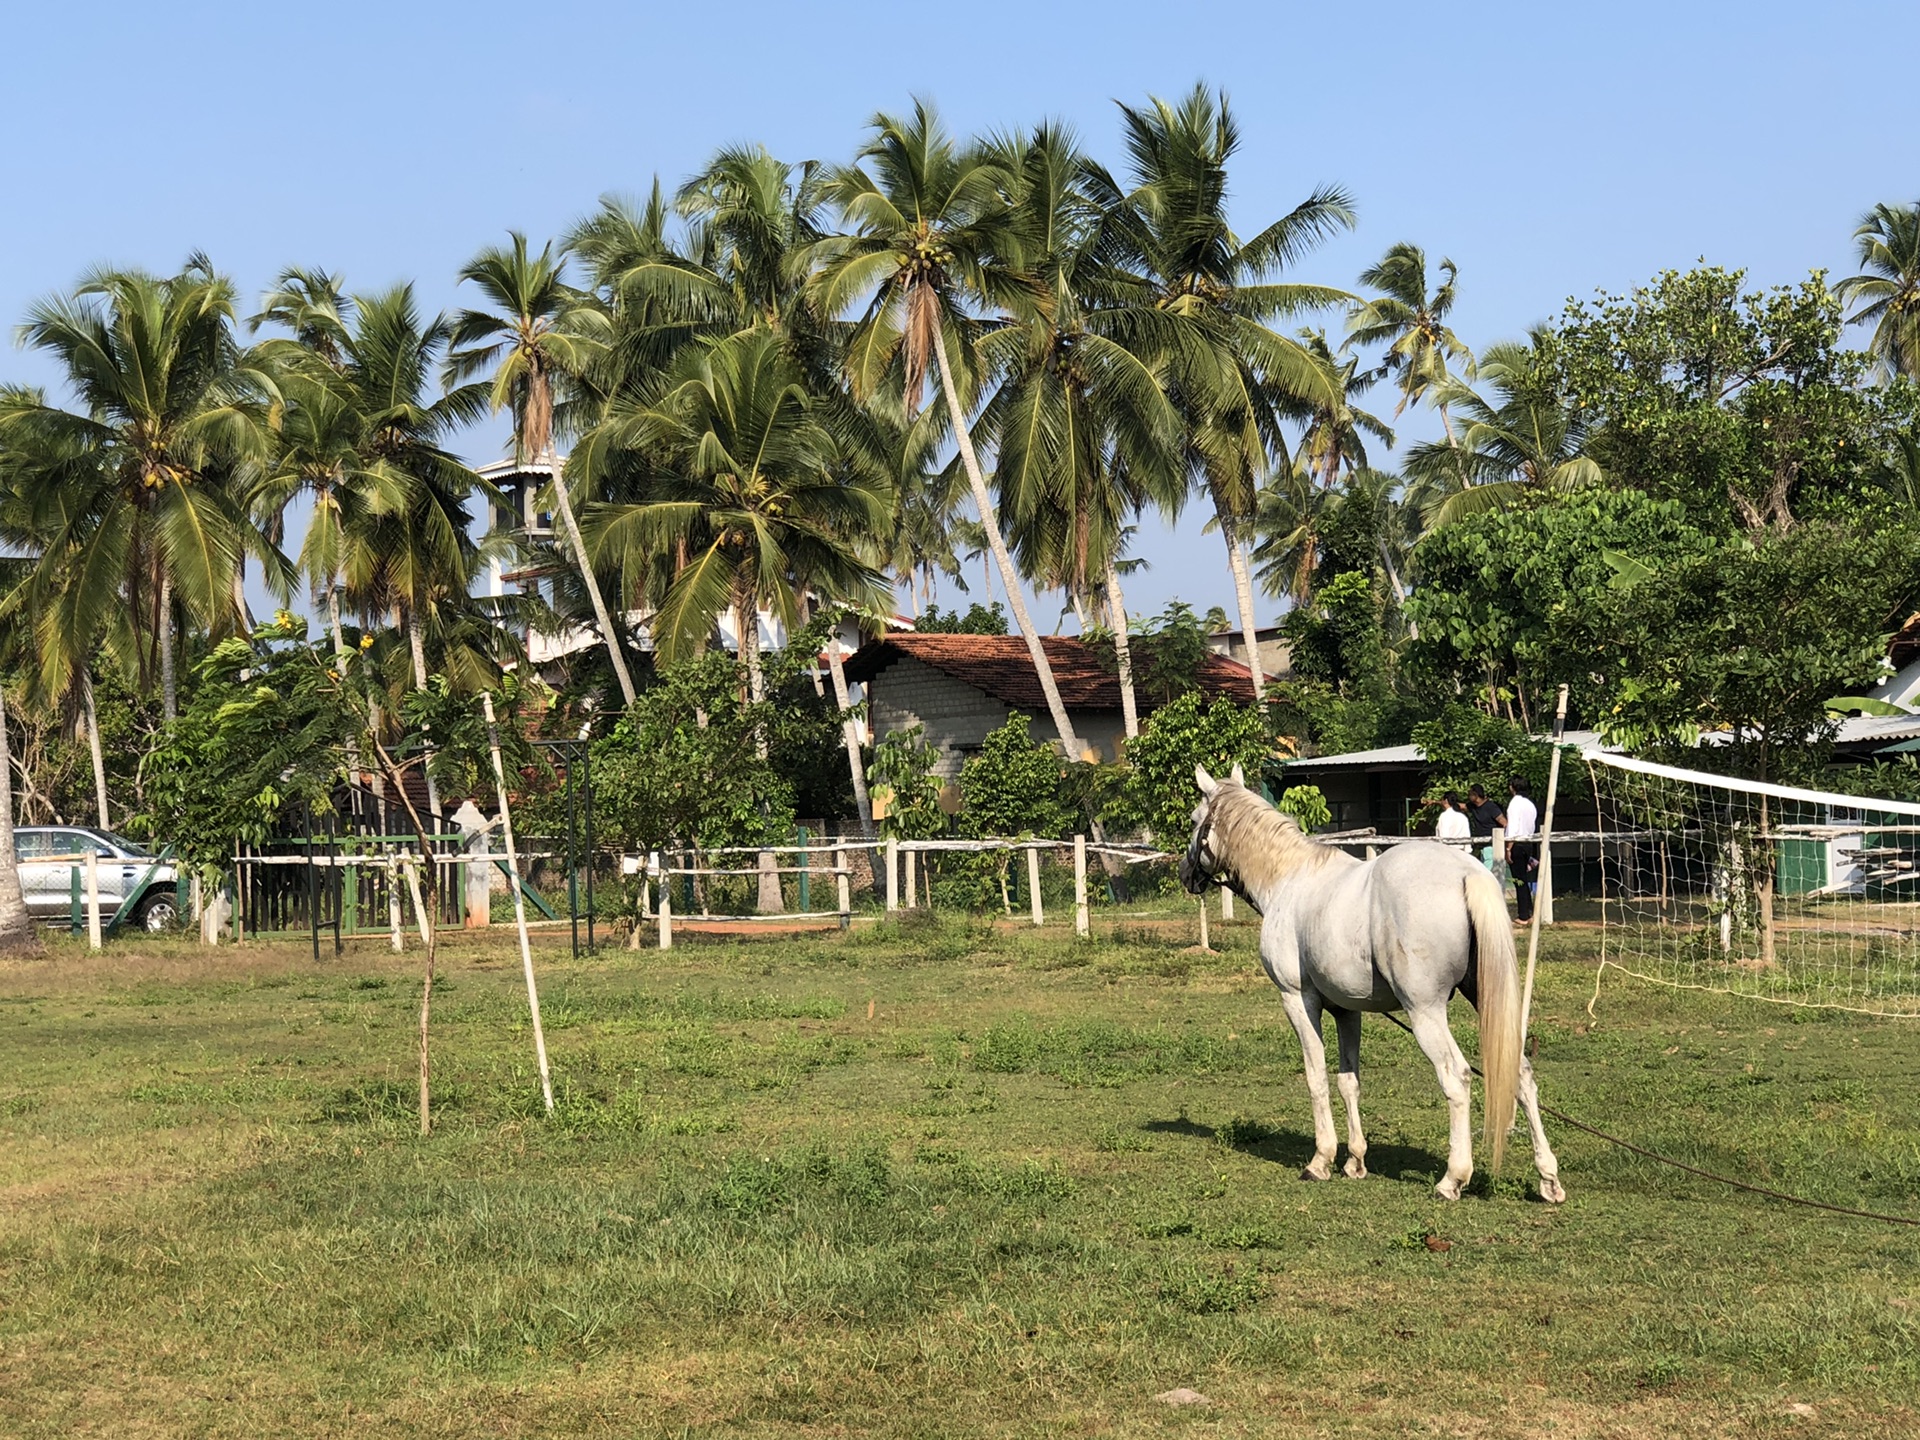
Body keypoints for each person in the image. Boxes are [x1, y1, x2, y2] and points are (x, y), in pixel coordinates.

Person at [1506, 776, 1540, 922]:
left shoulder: (1514, 804)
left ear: (1513, 787)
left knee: (1518, 880)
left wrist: (1508, 848)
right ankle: (1529, 911)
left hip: (1517, 844)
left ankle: (1523, 915)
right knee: (1524, 879)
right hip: (1528, 842)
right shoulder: (1529, 804)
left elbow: (1512, 827)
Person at [1466, 784, 1505, 873]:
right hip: (1481, 846)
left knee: (1486, 874)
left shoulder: (1491, 807)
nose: (1468, 796)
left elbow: (1504, 822)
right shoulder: (1473, 807)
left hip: (1491, 845)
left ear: (1476, 794)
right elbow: (1459, 806)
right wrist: (1435, 802)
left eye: (1470, 793)